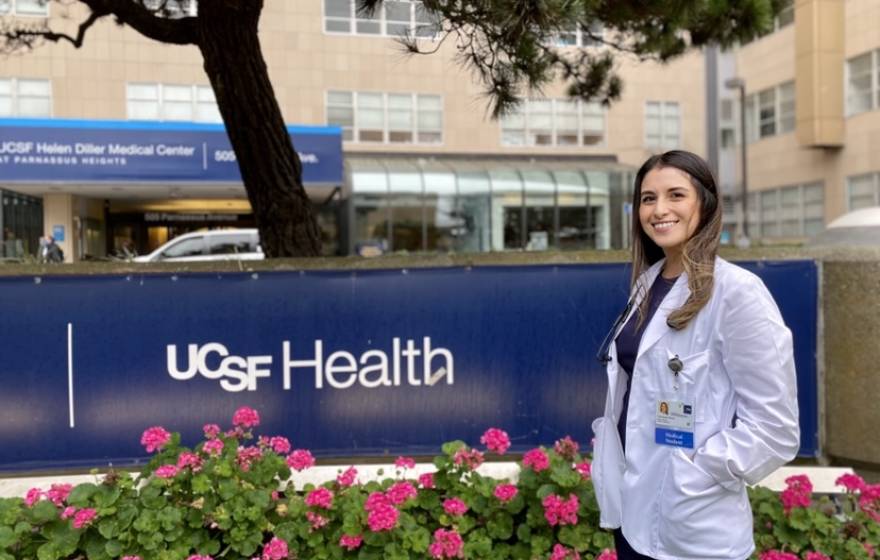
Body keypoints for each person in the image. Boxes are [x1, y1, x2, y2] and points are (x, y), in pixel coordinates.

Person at [591, 150, 799, 560]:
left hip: (694, 524)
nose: (659, 210)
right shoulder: (647, 285)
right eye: (648, 199)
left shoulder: (738, 293)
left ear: (704, 203)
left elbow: (776, 429)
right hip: (630, 513)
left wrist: (693, 473)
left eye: (675, 195)